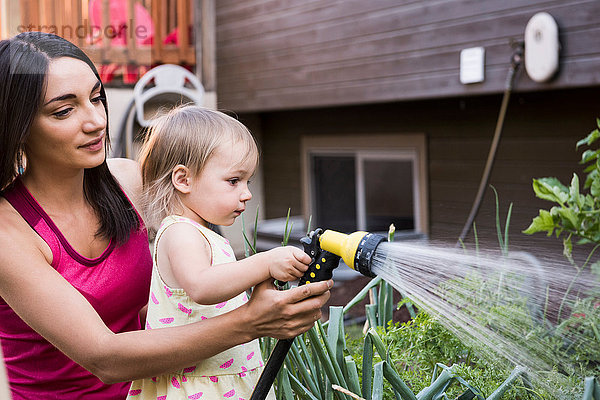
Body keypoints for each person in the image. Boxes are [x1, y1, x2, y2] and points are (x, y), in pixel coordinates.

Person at [0, 31, 332, 399]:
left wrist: (269, 280)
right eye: (64, 110)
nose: (96, 121)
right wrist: (252, 321)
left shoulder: (128, 183)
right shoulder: (8, 231)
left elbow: (175, 283)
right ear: (18, 126)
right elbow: (104, 358)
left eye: (96, 98)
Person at [127, 105, 304, 399]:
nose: (246, 193)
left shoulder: (202, 234)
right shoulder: (181, 232)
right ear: (183, 179)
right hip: (200, 385)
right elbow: (202, 286)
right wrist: (265, 262)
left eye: (247, 181)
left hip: (223, 379)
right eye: (234, 181)